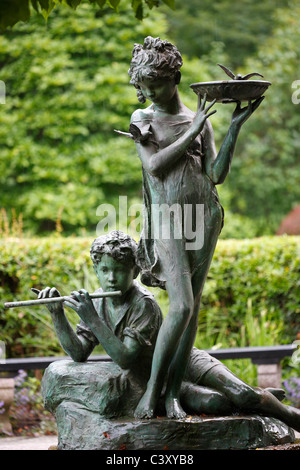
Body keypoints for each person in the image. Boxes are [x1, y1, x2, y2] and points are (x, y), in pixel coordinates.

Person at [35, 231, 300, 432]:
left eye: (119, 271)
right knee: (214, 404)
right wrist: (58, 314)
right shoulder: (98, 303)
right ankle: (258, 399)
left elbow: (125, 357)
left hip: (185, 362)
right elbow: (79, 352)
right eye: (104, 270)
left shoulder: (143, 304)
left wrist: (91, 318)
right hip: (155, 380)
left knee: (242, 394)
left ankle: (284, 412)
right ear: (96, 269)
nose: (111, 278)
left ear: (135, 271)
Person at [127, 36, 264, 419]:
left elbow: (216, 174)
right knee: (181, 305)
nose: (150, 91)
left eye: (156, 82)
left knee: (193, 308)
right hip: (169, 220)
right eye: (144, 84)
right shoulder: (144, 119)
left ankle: (173, 394)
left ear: (175, 77)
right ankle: (152, 391)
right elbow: (155, 166)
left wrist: (234, 126)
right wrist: (193, 130)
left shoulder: (198, 119)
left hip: (206, 216)